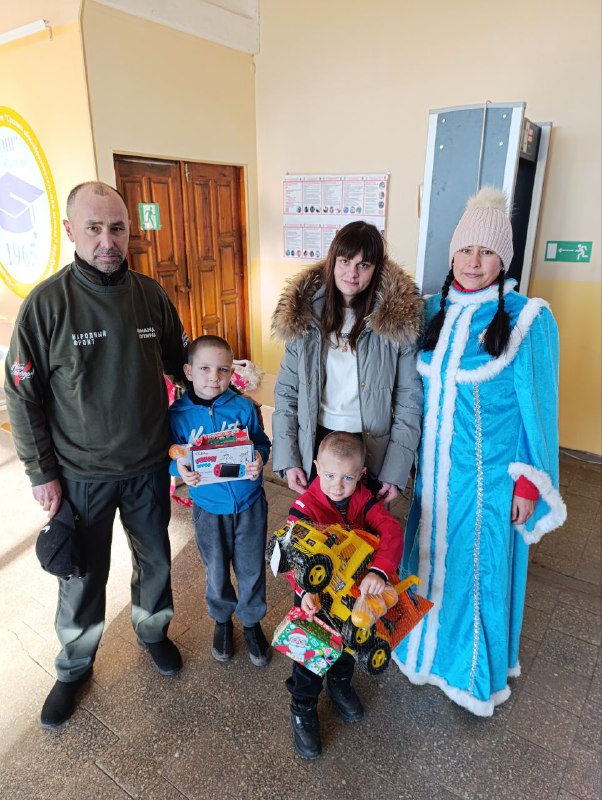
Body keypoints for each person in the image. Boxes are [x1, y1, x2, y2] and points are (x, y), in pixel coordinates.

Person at [4, 181, 189, 728]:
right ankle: (74, 665)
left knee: (156, 559)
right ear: (70, 231)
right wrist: (40, 472)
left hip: (149, 465)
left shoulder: (151, 296)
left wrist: (220, 393)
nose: (107, 241)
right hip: (81, 473)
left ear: (129, 231)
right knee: (82, 575)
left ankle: (153, 630)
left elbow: (181, 365)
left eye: (117, 228)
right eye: (94, 228)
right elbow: (22, 395)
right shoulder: (46, 306)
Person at [393, 187, 567, 716]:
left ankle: (469, 677)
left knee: (476, 577)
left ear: (502, 259)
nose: (473, 262)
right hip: (431, 482)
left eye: (487, 252)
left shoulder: (528, 318)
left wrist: (527, 484)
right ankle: (415, 652)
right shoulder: (430, 310)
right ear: (452, 253)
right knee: (421, 562)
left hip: (488, 484)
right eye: (466, 250)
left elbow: (539, 411)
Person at [271, 220, 423, 504]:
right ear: (332, 260)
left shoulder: (395, 319)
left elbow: (409, 401)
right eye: (345, 261)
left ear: (376, 269)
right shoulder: (304, 314)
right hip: (316, 441)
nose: (352, 273)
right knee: (317, 526)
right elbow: (287, 393)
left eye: (363, 265)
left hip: (370, 447)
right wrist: (288, 458)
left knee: (367, 527)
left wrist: (396, 470)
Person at [284, 431, 404, 759]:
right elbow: (291, 555)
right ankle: (303, 705)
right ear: (316, 468)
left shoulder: (364, 499)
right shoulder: (304, 508)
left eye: (348, 478)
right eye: (330, 476)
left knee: (350, 643)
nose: (338, 486)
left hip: (352, 593)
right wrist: (303, 591)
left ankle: (339, 682)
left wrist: (379, 570)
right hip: (315, 596)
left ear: (361, 474)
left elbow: (391, 530)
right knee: (311, 652)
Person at [169, 335, 272, 667]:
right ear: (188, 371)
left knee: (251, 568)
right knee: (215, 570)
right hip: (208, 509)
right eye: (204, 369)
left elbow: (261, 442)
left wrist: (259, 456)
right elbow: (170, 455)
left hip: (249, 504)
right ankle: (222, 620)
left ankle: (252, 622)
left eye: (223, 370)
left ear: (232, 372)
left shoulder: (243, 407)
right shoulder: (177, 415)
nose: (214, 377)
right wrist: (179, 468)